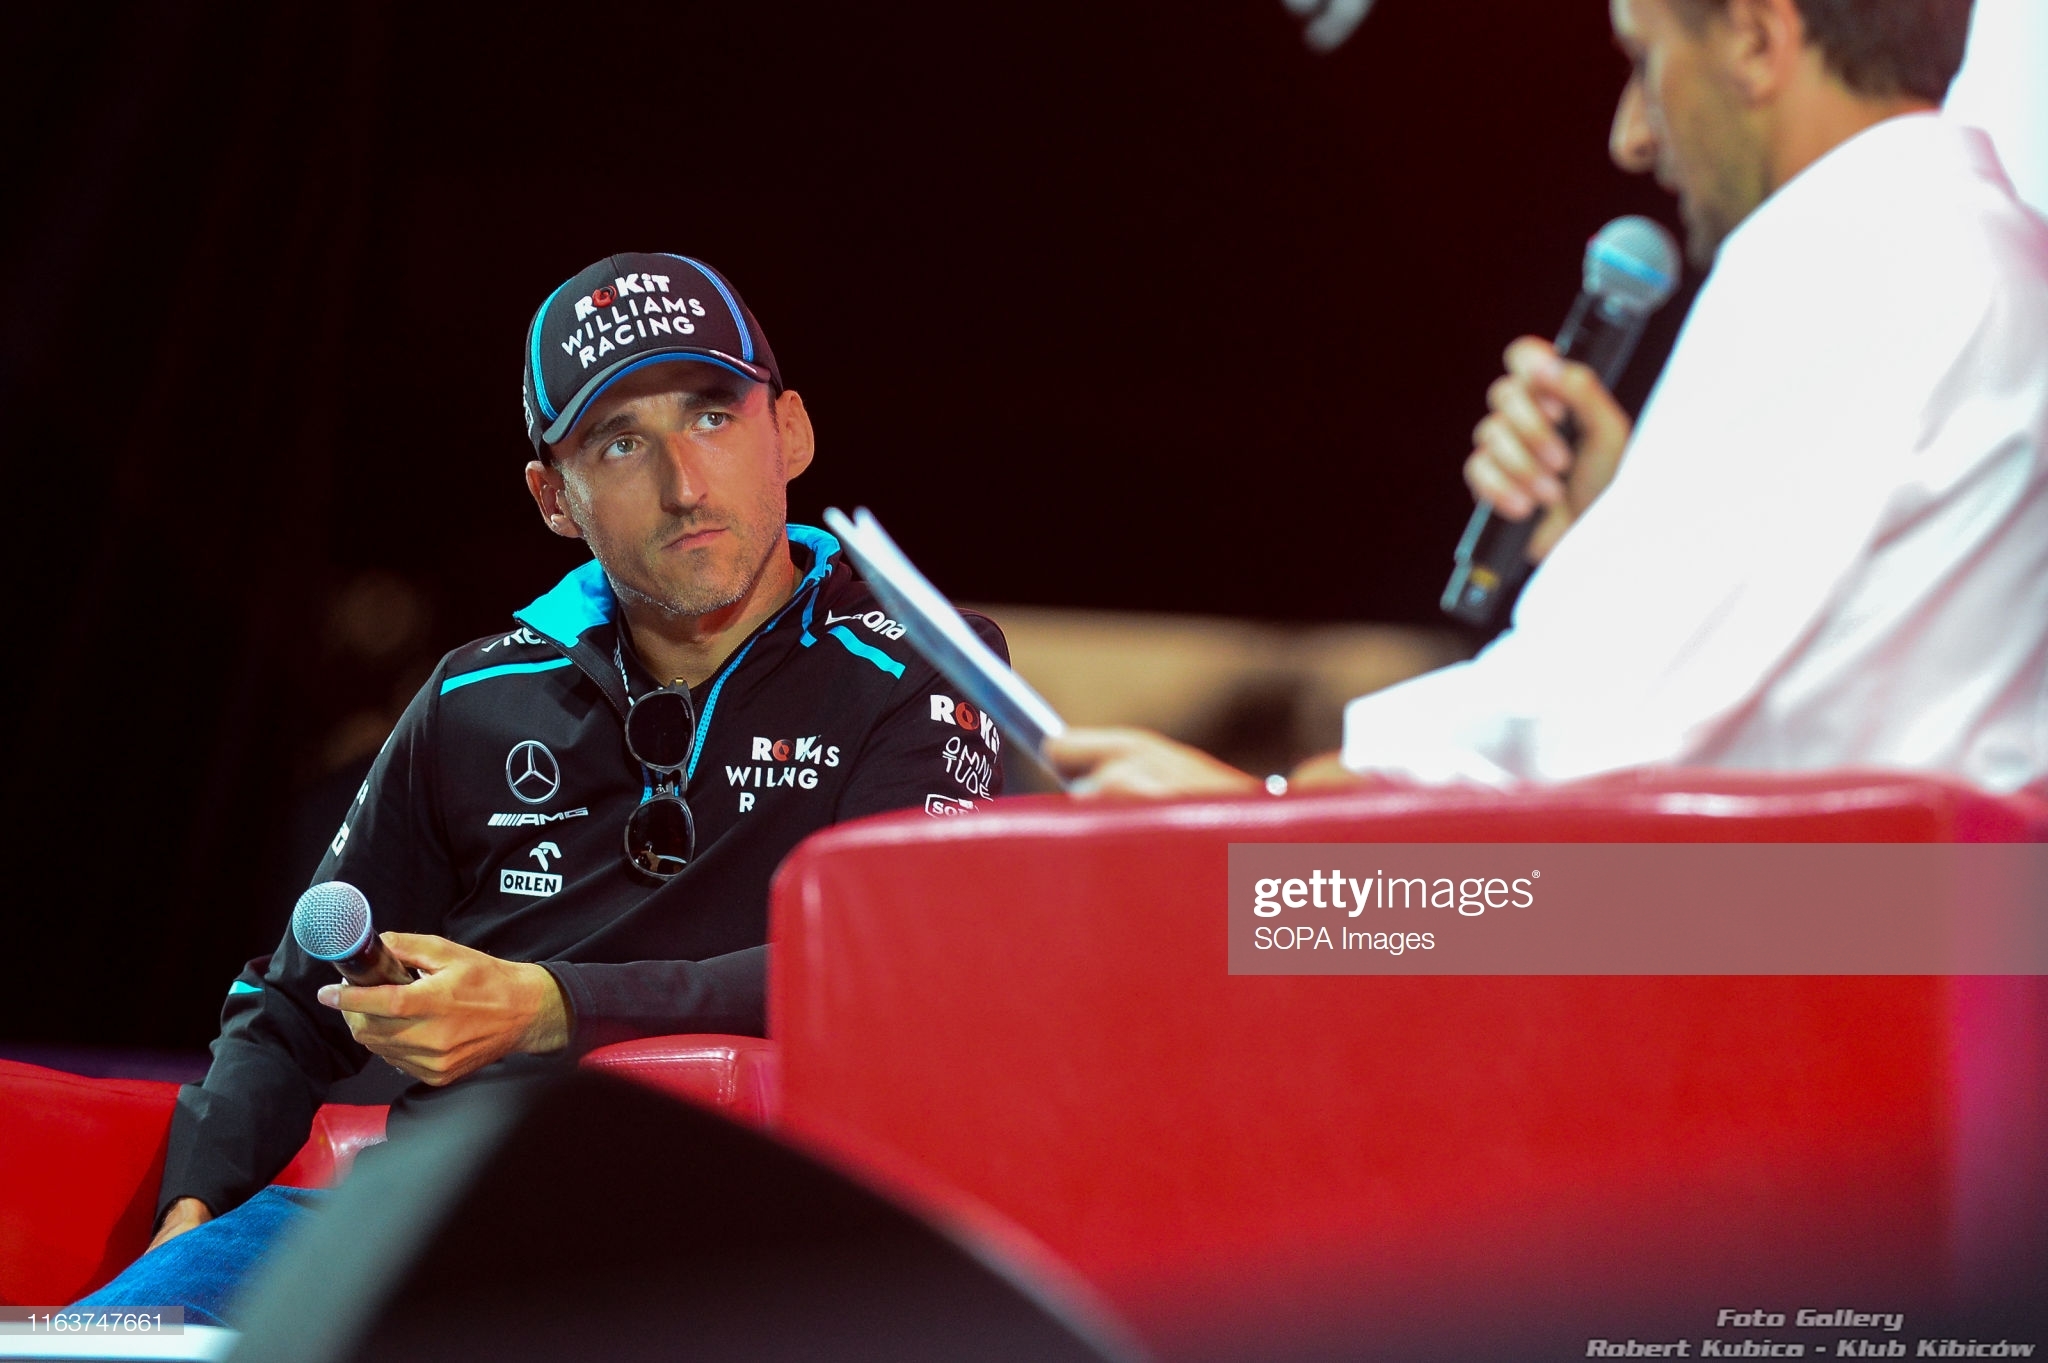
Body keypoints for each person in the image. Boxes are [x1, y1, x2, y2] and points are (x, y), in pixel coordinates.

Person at [75, 252, 1009, 1325]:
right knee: (108, 1339)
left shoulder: (923, 665)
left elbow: (899, 969)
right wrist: (189, 1219)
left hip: (757, 1231)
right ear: (554, 497)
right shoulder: (473, 695)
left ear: (788, 431)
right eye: (619, 442)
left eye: (712, 416)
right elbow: (294, 1002)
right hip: (444, 1217)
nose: (684, 484)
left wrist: (549, 1007)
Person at [1049, 0, 2048, 797]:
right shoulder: (1959, 250)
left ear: (1754, 38)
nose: (1631, 137)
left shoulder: (1865, 254)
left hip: (1833, 957)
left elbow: (1576, 724)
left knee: (1275, 927)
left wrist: (1258, 820)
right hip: (1862, 937)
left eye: (1644, 59)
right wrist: (1623, 523)